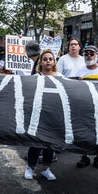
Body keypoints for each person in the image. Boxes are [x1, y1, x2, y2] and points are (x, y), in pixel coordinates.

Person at [24, 49, 60, 181]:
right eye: (45, 59)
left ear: (54, 61)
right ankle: (30, 168)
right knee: (36, 143)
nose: (48, 61)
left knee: (50, 143)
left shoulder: (60, 77)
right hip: (38, 115)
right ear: (41, 62)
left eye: (50, 59)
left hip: (54, 115)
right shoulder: (34, 78)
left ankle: (46, 169)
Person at [75, 45, 98, 169]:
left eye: (91, 54)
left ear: (97, 55)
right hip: (85, 107)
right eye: (86, 54)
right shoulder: (80, 70)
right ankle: (84, 156)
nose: (88, 56)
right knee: (84, 132)